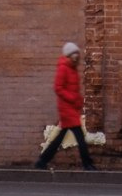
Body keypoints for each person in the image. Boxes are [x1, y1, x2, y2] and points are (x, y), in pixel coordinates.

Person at [34, 41, 96, 171]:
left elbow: (73, 89)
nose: (76, 56)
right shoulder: (63, 68)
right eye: (74, 54)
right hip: (67, 109)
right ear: (68, 55)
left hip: (71, 108)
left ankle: (42, 161)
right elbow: (58, 88)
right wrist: (73, 98)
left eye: (77, 54)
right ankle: (87, 163)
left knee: (59, 139)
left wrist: (78, 100)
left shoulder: (72, 69)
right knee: (80, 138)